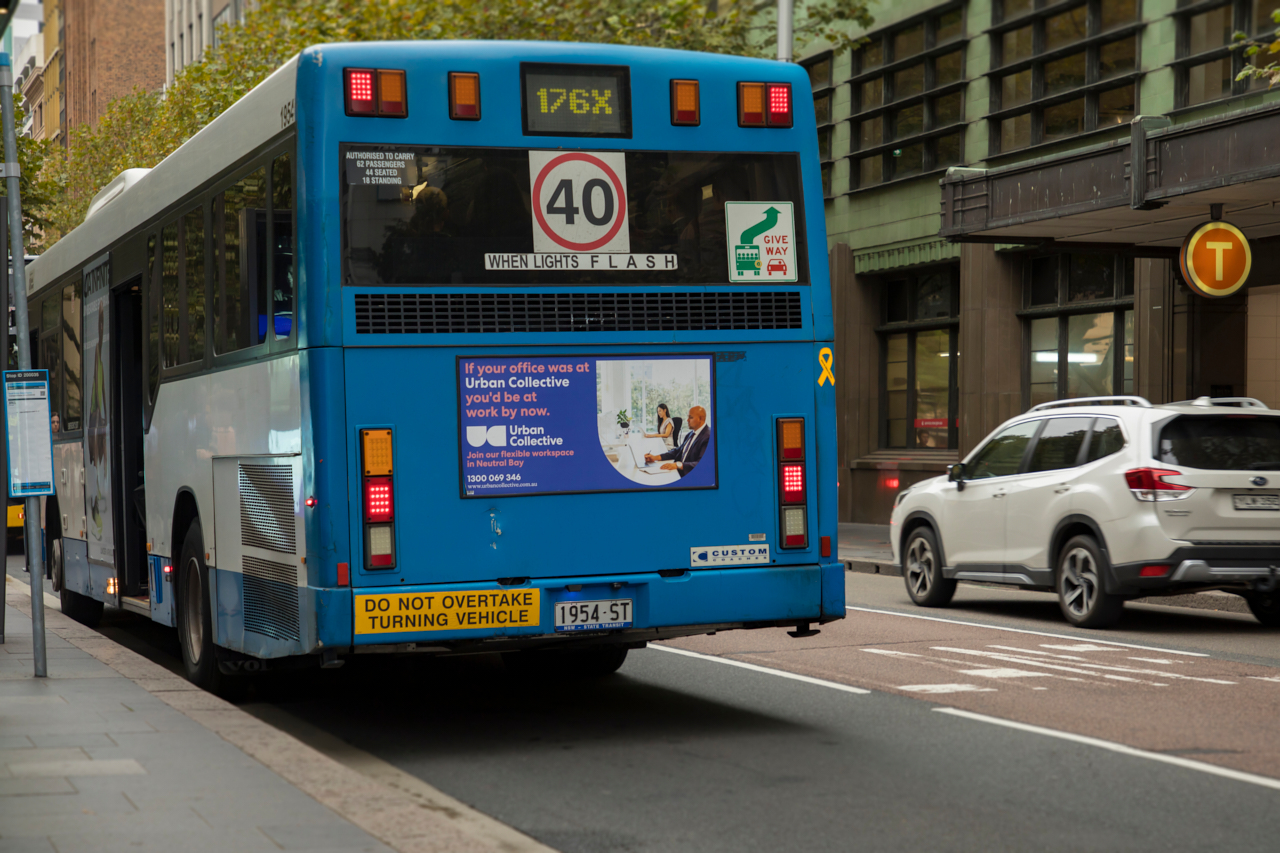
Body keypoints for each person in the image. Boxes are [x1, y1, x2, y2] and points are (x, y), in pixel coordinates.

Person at [645, 405, 710, 478]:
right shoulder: (691, 434)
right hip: (679, 472)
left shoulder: (708, 437)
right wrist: (655, 457)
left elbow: (701, 464)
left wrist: (677, 465)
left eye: (690, 417)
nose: (687, 420)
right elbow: (678, 451)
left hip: (690, 476)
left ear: (701, 419)